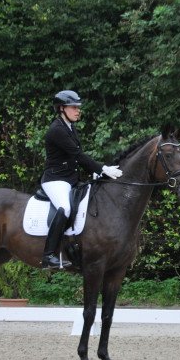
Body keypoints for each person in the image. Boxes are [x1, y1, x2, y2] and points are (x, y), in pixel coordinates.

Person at [40, 90, 123, 269]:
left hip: (70, 179)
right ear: (62, 108)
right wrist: (102, 168)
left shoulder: (70, 127)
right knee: (65, 207)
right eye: (74, 107)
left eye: (78, 107)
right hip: (55, 179)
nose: (78, 111)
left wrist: (97, 174)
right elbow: (78, 155)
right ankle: (48, 255)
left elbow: (74, 159)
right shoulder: (57, 130)